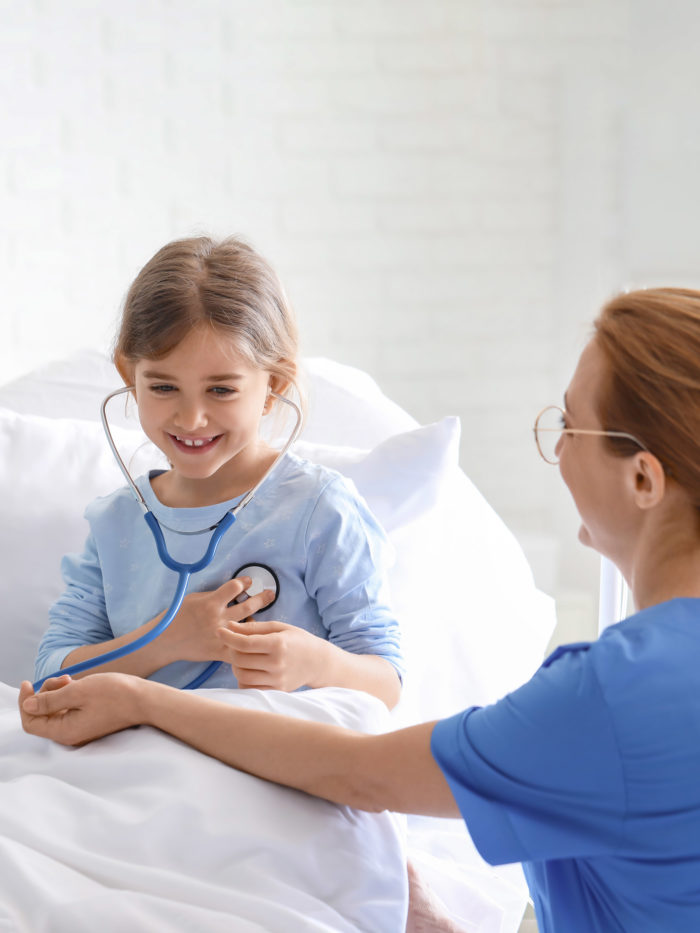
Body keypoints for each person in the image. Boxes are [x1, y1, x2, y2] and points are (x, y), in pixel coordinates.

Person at [20, 287, 700, 932]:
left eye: (568, 425)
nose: (555, 449)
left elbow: (360, 767)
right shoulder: (116, 521)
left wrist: (147, 699)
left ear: (642, 477)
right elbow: (58, 664)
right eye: (162, 385)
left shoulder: (608, 696)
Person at [32, 235, 403, 709]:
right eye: (164, 386)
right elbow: (50, 676)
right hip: (140, 761)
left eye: (222, 390)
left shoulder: (318, 508)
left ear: (275, 385)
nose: (190, 419)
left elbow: (386, 683)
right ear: (129, 375)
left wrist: (318, 663)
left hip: (267, 764)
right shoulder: (116, 522)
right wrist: (165, 640)